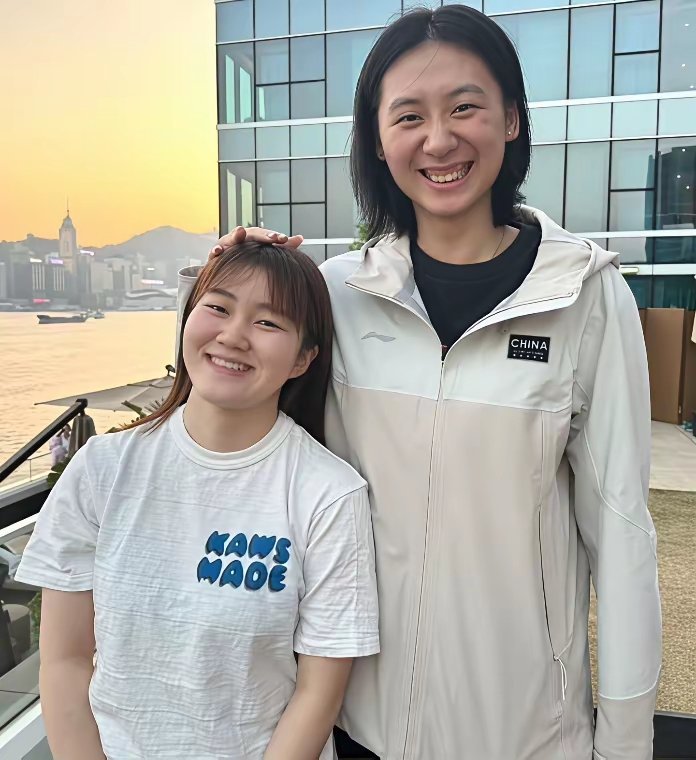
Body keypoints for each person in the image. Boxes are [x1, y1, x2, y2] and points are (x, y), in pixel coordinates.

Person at [193, 6, 662, 759]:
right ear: (378, 142)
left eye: (465, 107)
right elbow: (232, 432)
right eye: (408, 116)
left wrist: (626, 742)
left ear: (512, 118)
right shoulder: (338, 295)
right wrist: (229, 282)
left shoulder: (585, 295)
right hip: (353, 726)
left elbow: (622, 533)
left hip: (527, 737)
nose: (439, 140)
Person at [16, 243, 379, 760]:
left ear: (303, 358)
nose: (233, 336)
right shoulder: (102, 469)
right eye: (218, 307)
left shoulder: (328, 493)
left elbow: (317, 693)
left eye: (269, 322)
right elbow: (65, 660)